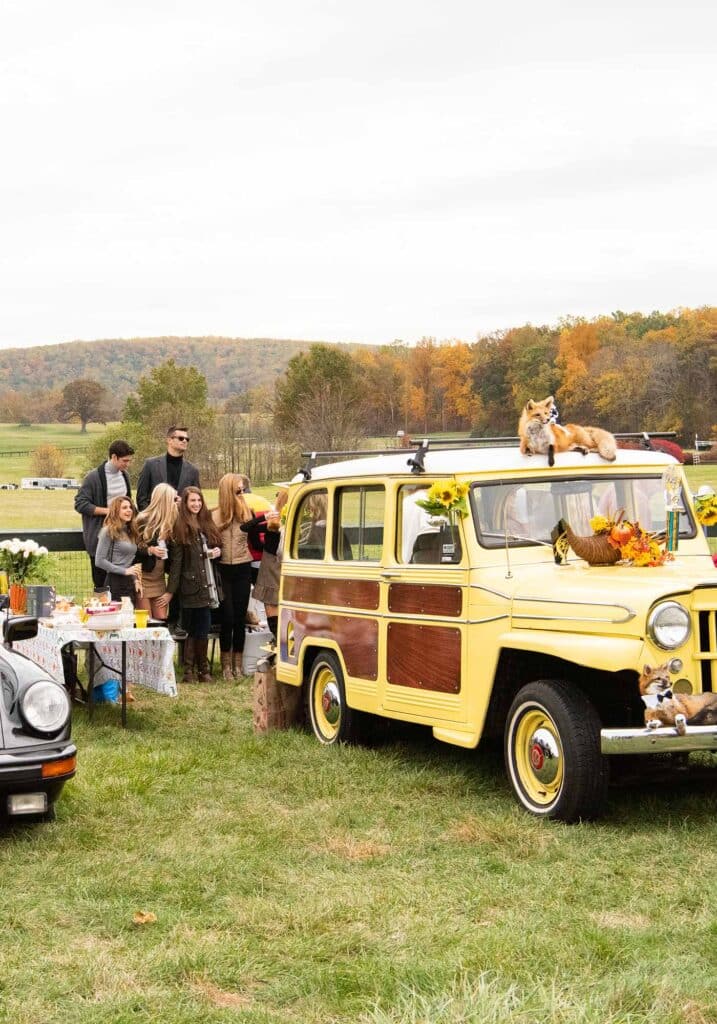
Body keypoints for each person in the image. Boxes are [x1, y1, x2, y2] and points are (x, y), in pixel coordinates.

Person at [163, 487, 222, 683]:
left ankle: (203, 671)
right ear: (185, 504)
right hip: (189, 586)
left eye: (199, 500)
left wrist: (216, 551)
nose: (196, 504)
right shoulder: (180, 526)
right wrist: (171, 591)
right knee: (190, 629)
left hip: (208, 584)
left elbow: (217, 544)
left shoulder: (206, 521)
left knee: (203, 629)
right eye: (192, 501)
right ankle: (189, 671)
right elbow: (176, 563)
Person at [210, 474, 254, 680]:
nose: (242, 493)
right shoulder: (214, 516)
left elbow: (256, 541)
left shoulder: (247, 513)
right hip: (223, 570)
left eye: (243, 490)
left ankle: (239, 664)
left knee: (239, 618)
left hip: (243, 567)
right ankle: (226, 665)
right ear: (228, 490)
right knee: (227, 618)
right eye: (238, 490)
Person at [75, 440, 134, 587]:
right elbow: (80, 504)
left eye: (129, 461)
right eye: (124, 461)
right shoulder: (93, 477)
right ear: (113, 457)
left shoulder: (124, 476)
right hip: (100, 538)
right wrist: (109, 511)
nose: (127, 464)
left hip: (122, 540)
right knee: (102, 586)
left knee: (122, 584)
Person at [244, 488, 288, 644]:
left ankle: (279, 641)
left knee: (271, 607)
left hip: (270, 566)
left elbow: (251, 532)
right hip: (284, 566)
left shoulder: (275, 521)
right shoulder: (290, 521)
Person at [134, 483, 178, 621]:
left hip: (159, 579)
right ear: (165, 500)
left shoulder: (172, 520)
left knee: (161, 619)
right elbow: (131, 548)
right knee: (146, 621)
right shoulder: (142, 519)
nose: (175, 502)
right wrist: (150, 550)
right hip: (143, 577)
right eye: (173, 499)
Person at [136, 426, 200, 511]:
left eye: (187, 439)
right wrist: (151, 518)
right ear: (169, 440)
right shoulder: (150, 465)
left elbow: (197, 499)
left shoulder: (193, 470)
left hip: (182, 521)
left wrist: (184, 504)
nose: (184, 441)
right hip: (155, 521)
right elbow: (141, 498)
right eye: (181, 438)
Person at [94, 496, 143, 604]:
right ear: (116, 511)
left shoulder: (130, 531)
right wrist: (125, 571)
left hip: (129, 581)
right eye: (124, 508)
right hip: (115, 581)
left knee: (129, 617)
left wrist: (135, 579)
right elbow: (99, 561)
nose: (129, 510)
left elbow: (129, 560)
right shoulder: (107, 531)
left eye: (130, 507)